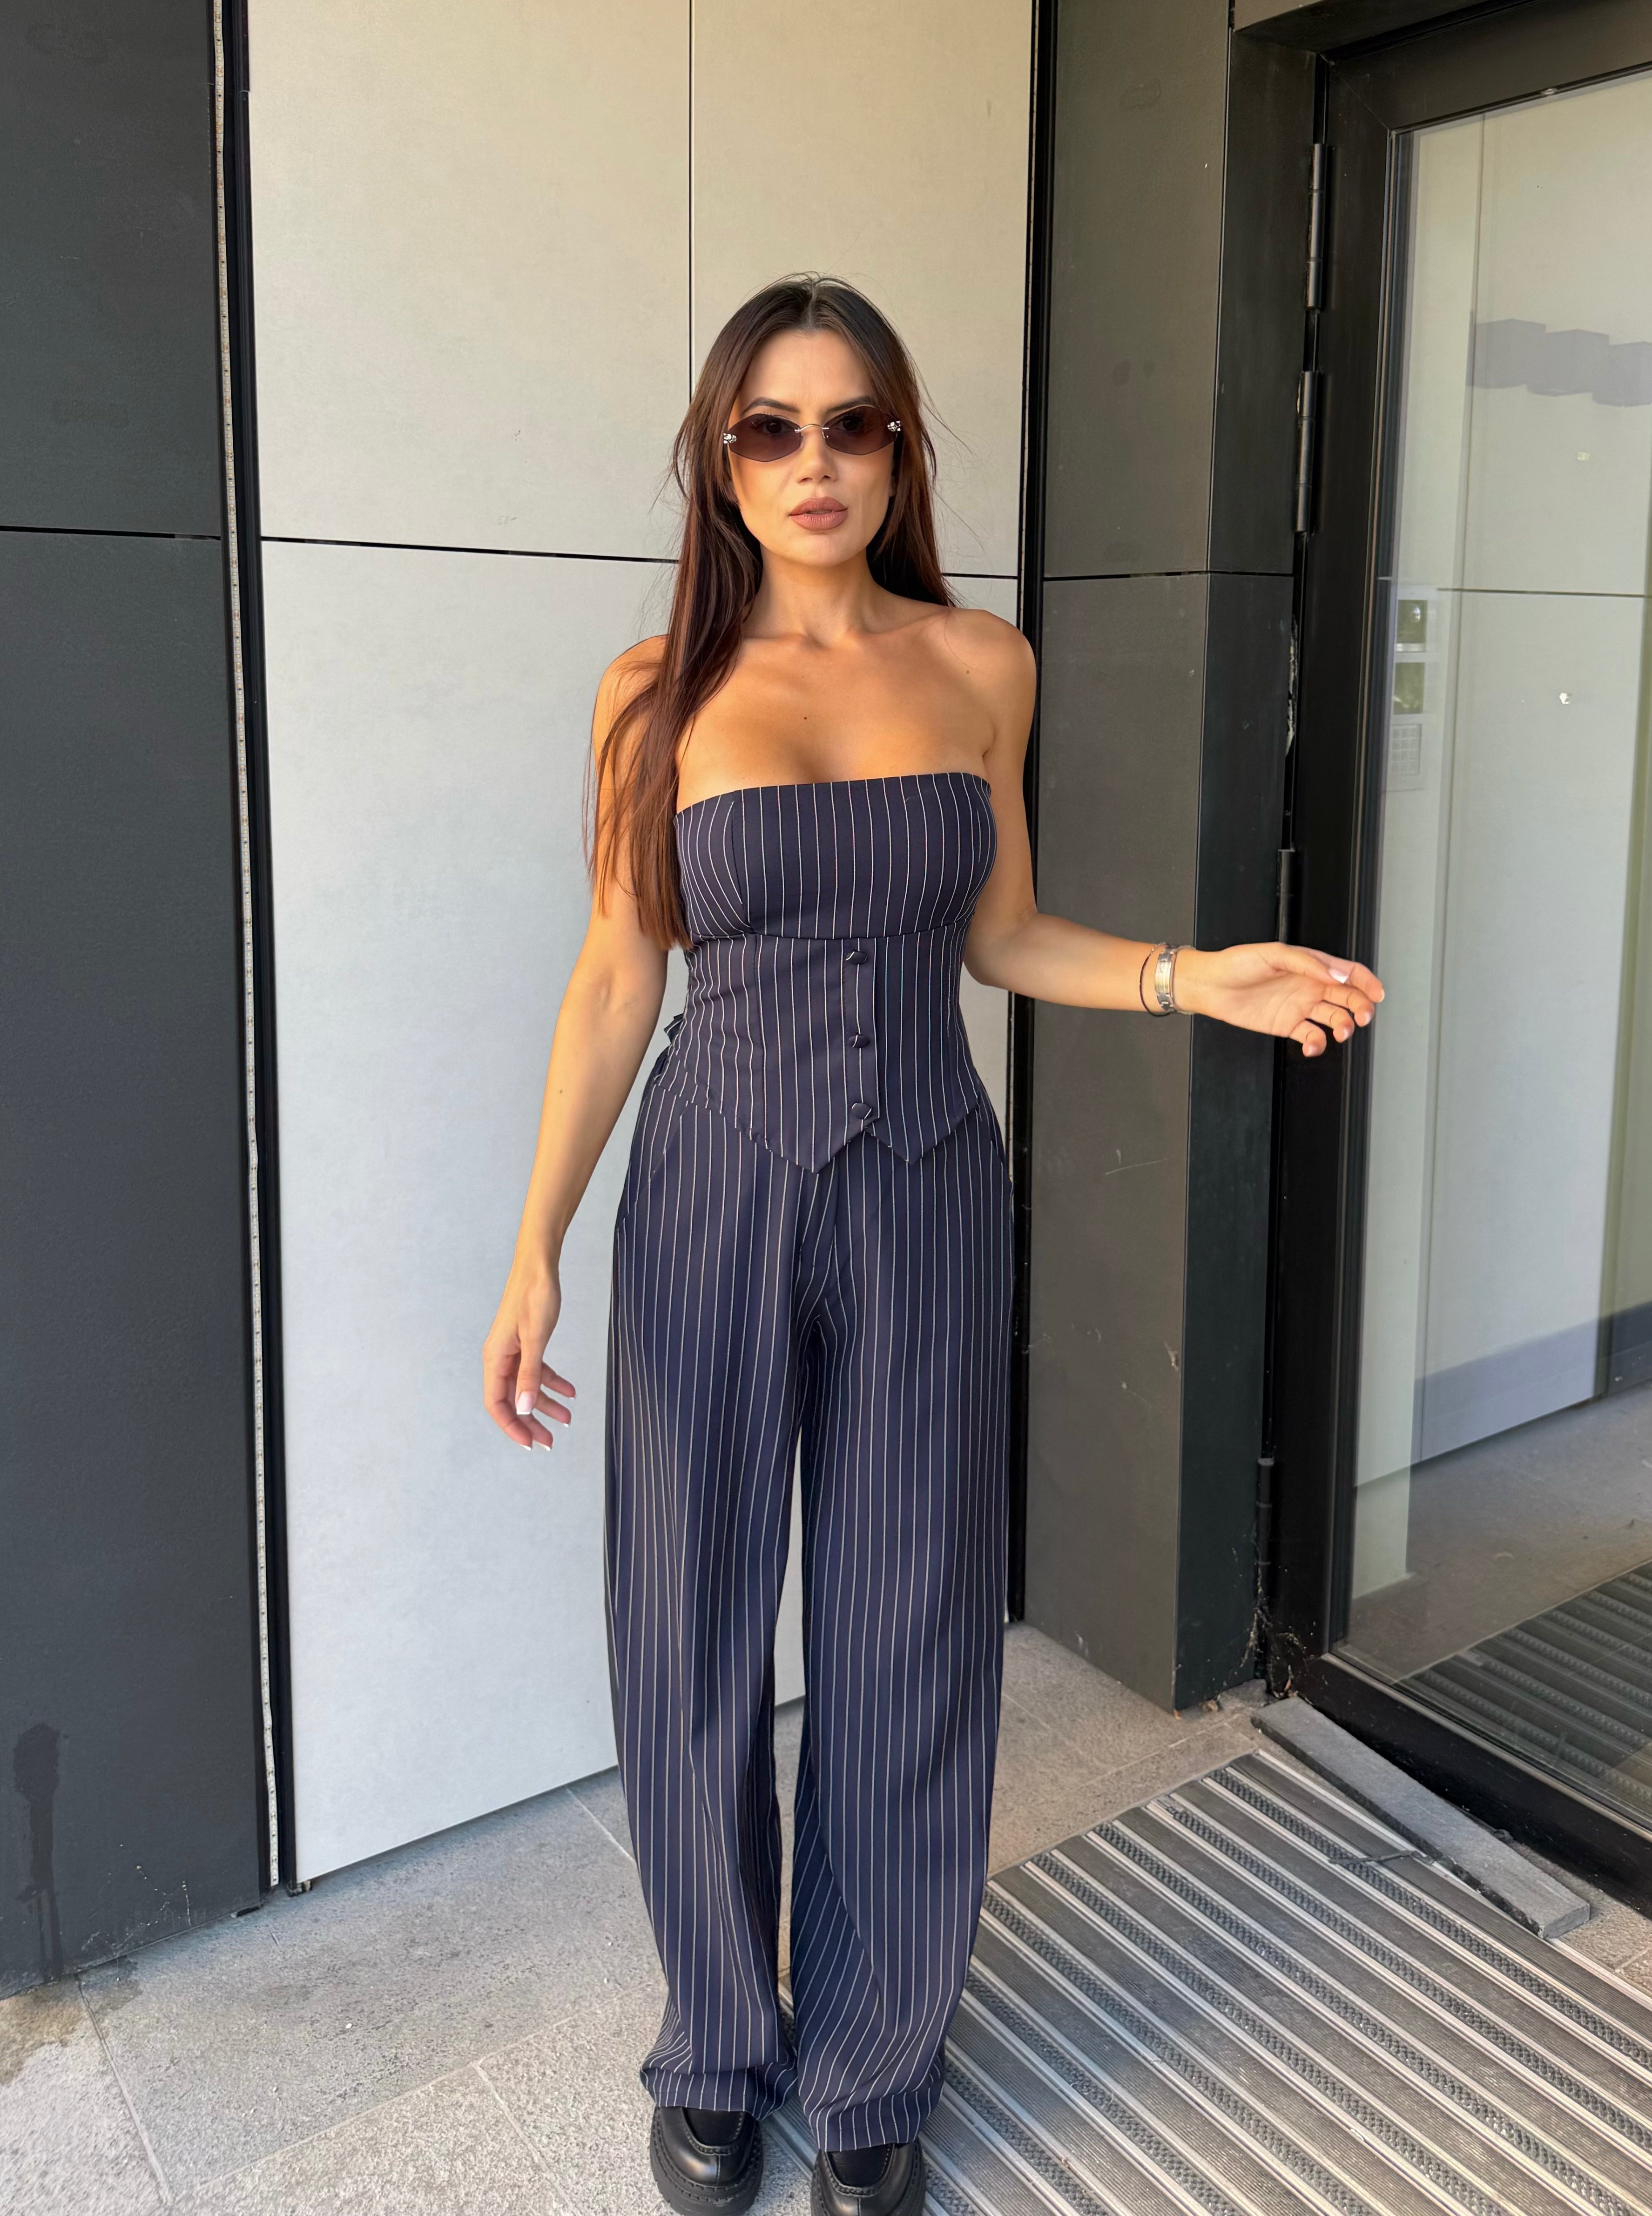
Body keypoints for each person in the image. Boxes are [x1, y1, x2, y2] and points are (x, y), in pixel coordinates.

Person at [483, 274, 1382, 2216]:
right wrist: (535, 1242)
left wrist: (1193, 975)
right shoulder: (650, 691)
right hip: (709, 1189)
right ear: (719, 462)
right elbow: (615, 975)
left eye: (854, 423)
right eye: (770, 427)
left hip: (922, 1192)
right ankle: (717, 2040)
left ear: (901, 451)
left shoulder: (984, 664)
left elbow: (1001, 936)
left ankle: (875, 2059)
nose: (813, 462)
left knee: (906, 1625)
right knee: (689, 1626)